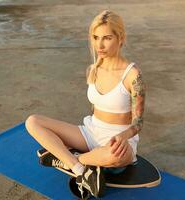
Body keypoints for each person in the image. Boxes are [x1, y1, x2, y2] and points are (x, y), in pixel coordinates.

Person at [25, 9, 146, 198]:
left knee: (115, 156)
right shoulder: (93, 70)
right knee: (33, 122)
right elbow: (95, 110)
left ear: (120, 38)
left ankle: (65, 159)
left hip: (119, 143)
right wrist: (81, 137)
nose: (100, 44)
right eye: (96, 37)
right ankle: (82, 170)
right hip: (90, 132)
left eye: (106, 38)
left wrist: (123, 137)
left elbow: (138, 123)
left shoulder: (132, 75)